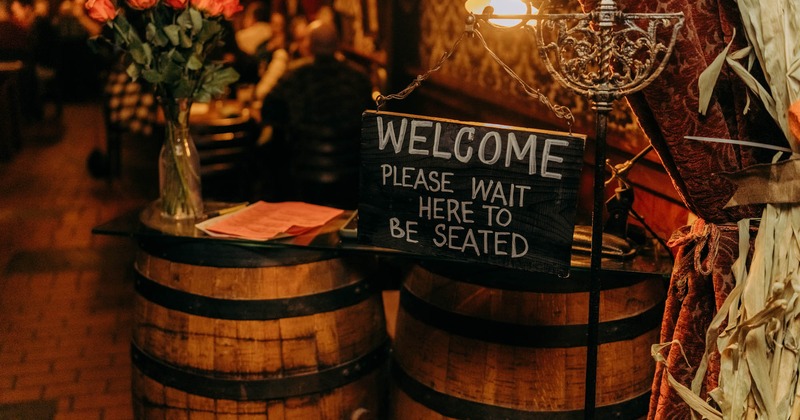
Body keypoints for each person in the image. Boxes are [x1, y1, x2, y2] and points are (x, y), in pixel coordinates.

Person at [260, 18, 373, 209]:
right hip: (350, 171)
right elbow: (370, 121)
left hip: (303, 171)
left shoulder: (294, 76)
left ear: (310, 45)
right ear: (337, 45)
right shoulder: (358, 77)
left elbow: (268, 111)